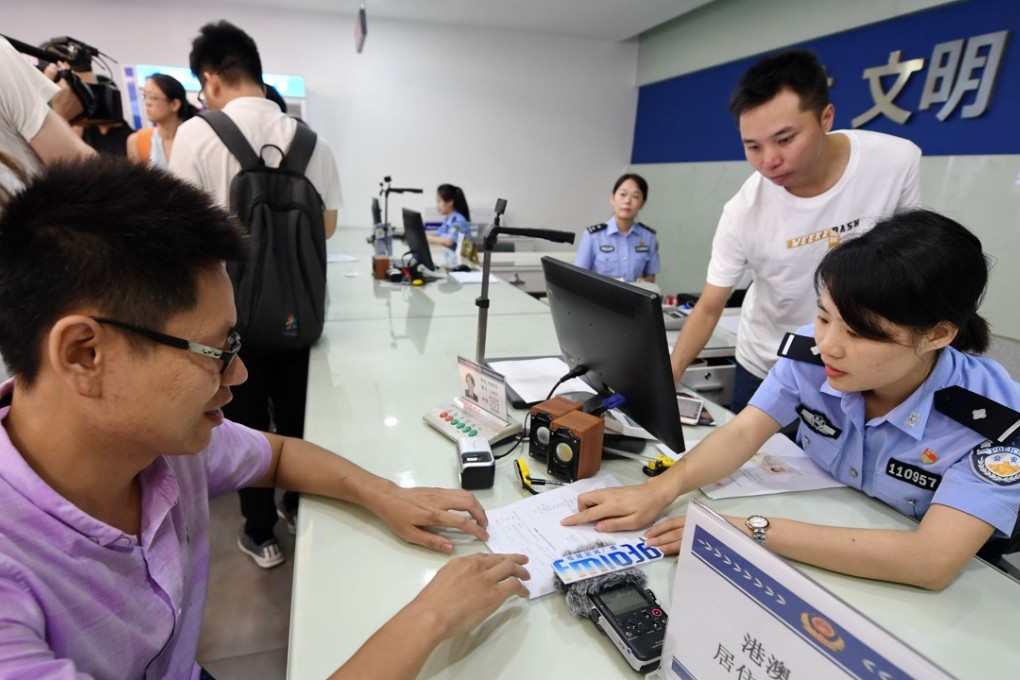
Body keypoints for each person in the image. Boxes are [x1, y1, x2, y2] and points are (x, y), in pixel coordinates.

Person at [0, 157, 529, 679]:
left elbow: (277, 452)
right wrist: (430, 617)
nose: (239, 375)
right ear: (84, 354)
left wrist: (385, 493)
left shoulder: (157, 443)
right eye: (214, 351)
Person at [564, 209, 1020, 591]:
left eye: (860, 333)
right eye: (824, 317)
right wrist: (659, 490)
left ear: (938, 334)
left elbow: (931, 561)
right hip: (828, 529)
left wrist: (748, 531)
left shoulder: (993, 420)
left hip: (911, 585)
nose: (829, 346)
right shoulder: (812, 352)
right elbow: (746, 430)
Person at [169, 20, 342, 568]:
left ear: (211, 77)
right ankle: (298, 505)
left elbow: (185, 236)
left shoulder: (198, 134)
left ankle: (259, 531)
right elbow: (329, 226)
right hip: (301, 313)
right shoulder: (314, 142)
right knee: (297, 419)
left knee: (242, 427)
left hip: (232, 321)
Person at [668, 49, 920, 413]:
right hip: (767, 363)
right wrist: (668, 377)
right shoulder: (744, 211)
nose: (768, 160)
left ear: (826, 117)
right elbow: (709, 307)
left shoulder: (895, 162)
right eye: (752, 146)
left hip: (857, 369)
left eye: (785, 139)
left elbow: (908, 263)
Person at [574, 173, 660, 283]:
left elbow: (651, 275)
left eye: (635, 196)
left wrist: (644, 282)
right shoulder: (593, 236)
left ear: (642, 203)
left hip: (633, 299)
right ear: (612, 198)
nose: (627, 201)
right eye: (623, 194)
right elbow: (577, 276)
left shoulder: (648, 237)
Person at [126, 73, 197, 168]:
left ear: (174, 104)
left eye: (153, 97)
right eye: (144, 96)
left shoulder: (194, 139)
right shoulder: (137, 141)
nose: (147, 103)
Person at [427, 183, 471, 249]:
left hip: (459, 258)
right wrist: (421, 234)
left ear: (450, 202)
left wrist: (426, 238)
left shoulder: (458, 221)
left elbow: (449, 241)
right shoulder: (449, 219)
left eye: (439, 202)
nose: (437, 205)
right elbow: (440, 233)